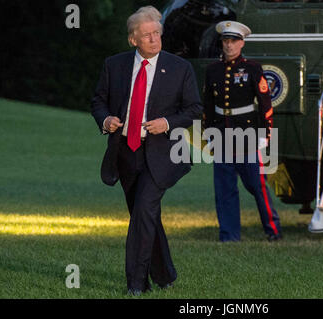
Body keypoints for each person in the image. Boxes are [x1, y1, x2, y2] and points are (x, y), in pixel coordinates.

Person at [91, 6, 202, 296]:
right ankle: (165, 274)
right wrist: (106, 120)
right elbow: (98, 101)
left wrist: (166, 122)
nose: (154, 39)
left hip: (162, 154)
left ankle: (137, 284)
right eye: (147, 35)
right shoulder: (113, 65)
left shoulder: (180, 68)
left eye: (157, 33)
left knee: (143, 211)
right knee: (144, 215)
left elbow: (194, 109)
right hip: (125, 152)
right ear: (133, 40)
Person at [203, 21, 282, 242]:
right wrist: (209, 134)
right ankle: (229, 235)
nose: (229, 46)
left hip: (247, 135)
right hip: (221, 135)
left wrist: (266, 136)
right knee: (224, 189)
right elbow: (208, 105)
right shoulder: (212, 70)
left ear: (242, 43)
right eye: (225, 41)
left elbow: (265, 105)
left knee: (257, 186)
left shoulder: (253, 68)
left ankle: (273, 230)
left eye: (233, 41)